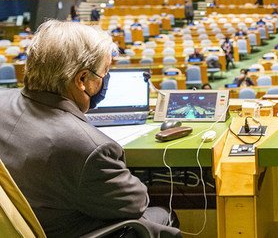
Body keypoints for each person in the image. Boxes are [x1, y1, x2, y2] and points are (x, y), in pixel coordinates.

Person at [0, 21, 181, 237]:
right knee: (162, 214)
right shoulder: (88, 147)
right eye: (104, 72)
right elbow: (136, 203)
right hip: (68, 230)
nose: (105, 80)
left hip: (27, 224)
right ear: (82, 79)